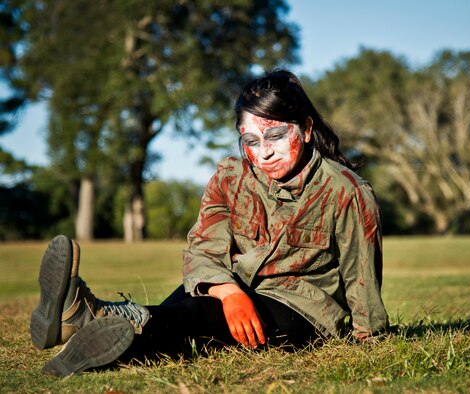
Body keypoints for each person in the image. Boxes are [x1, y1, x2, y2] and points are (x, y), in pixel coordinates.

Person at [30, 69, 388, 377]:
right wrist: (228, 291)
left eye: (276, 135)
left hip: (303, 311)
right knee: (184, 313)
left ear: (306, 129)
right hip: (229, 289)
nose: (264, 151)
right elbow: (204, 248)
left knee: (196, 316)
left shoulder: (346, 191)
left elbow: (362, 276)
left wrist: (370, 339)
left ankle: (91, 317)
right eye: (251, 140)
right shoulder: (230, 177)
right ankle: (98, 338)